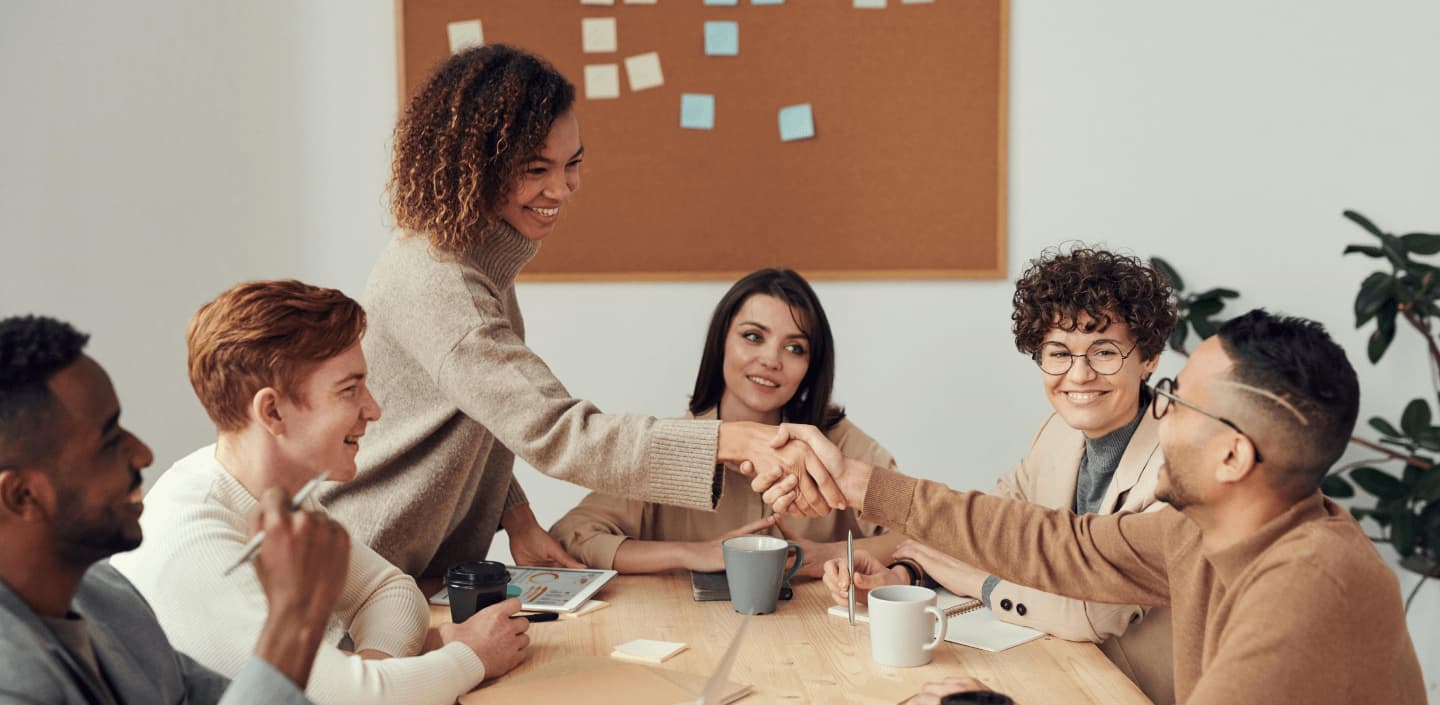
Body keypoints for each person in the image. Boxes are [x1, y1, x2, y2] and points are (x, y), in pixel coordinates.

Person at [319, 44, 841, 579]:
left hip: (413, 573)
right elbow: (558, 430)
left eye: (573, 164)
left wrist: (517, 517)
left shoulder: (474, 263)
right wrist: (727, 440)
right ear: (476, 167)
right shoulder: (443, 284)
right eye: (536, 168)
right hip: (359, 572)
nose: (561, 188)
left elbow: (483, 412)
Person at [774, 310, 1427, 704]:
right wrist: (860, 483)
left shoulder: (1310, 584)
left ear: (1232, 456)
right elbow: (1060, 544)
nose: (1158, 412)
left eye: (1175, 399)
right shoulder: (1199, 530)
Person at [110, 281, 530, 705]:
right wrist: (470, 656)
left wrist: (372, 674)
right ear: (272, 411)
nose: (373, 410)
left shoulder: (272, 490)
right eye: (349, 390)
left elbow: (390, 591)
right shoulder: (197, 544)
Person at [822, 247, 1177, 703]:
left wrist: (979, 584)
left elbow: (1093, 613)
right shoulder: (1056, 433)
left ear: (1149, 358)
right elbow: (989, 528)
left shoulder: (1177, 463)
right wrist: (907, 575)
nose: (1079, 375)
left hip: (1132, 692)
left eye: (1104, 352)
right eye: (1059, 353)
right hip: (1058, 670)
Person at [0, 314, 344, 705]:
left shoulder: (109, 598)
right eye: (110, 441)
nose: (143, 454)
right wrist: (295, 619)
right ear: (22, 495)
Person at [549, 269, 902, 576]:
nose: (771, 360)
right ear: (721, 343)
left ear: (811, 367)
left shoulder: (838, 443)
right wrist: (692, 553)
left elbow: (921, 533)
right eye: (753, 337)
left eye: (795, 348)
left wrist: (831, 554)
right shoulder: (671, 446)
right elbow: (571, 536)